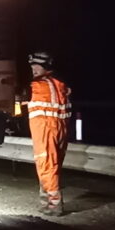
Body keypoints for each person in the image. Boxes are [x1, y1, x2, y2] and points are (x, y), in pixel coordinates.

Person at [20, 51, 72, 214]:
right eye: (32, 66)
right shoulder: (61, 84)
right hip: (61, 129)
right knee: (53, 166)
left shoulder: (35, 86)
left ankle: (54, 203)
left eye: (36, 65)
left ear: (45, 66)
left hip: (45, 129)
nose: (33, 68)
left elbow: (18, 104)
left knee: (46, 164)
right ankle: (46, 200)